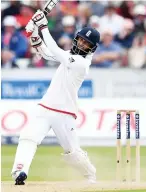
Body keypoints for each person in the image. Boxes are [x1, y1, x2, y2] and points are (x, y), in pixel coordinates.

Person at [11, 10, 100, 185]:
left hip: (65, 113)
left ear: (92, 48)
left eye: (86, 43)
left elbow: (55, 51)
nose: (81, 44)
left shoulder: (82, 64)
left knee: (72, 153)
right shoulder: (69, 55)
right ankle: (19, 172)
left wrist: (42, 26)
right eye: (81, 40)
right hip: (45, 107)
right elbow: (47, 53)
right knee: (28, 137)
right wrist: (35, 34)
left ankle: (91, 174)